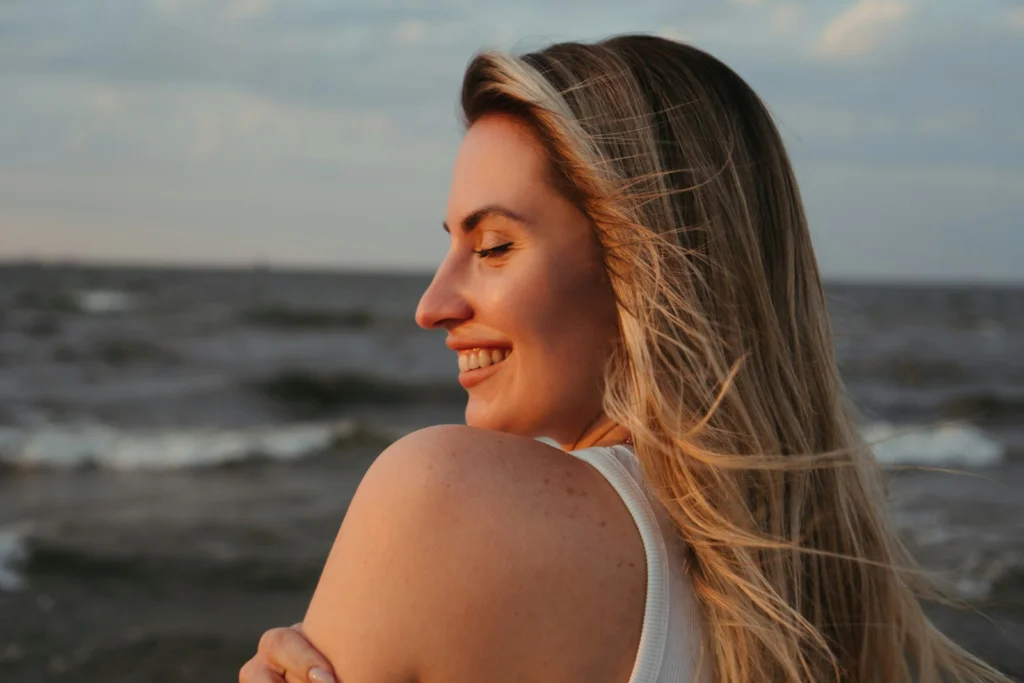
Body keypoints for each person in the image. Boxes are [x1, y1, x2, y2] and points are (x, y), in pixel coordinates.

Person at [239, 35, 1009, 683]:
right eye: (449, 243)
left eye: (494, 245)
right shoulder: (813, 600)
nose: (433, 304)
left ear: (649, 267)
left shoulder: (442, 496)